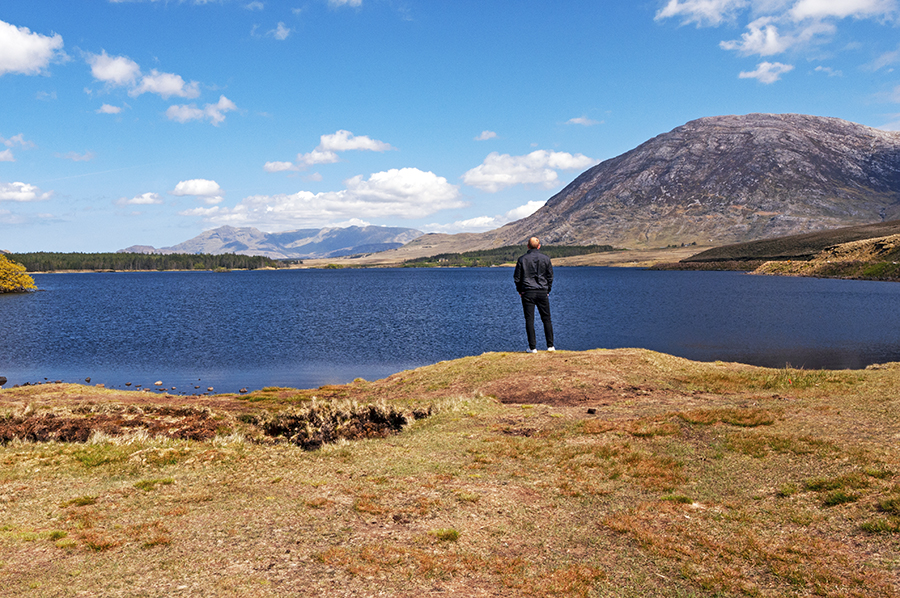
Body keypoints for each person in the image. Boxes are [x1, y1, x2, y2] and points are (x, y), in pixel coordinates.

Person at [513, 236, 555, 353]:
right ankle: (550, 346)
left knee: (529, 320)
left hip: (527, 292)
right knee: (546, 319)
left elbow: (517, 278)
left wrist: (520, 291)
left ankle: (532, 348)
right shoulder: (546, 259)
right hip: (542, 291)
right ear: (539, 246)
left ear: (527, 246)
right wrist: (547, 290)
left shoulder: (522, 259)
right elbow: (550, 276)